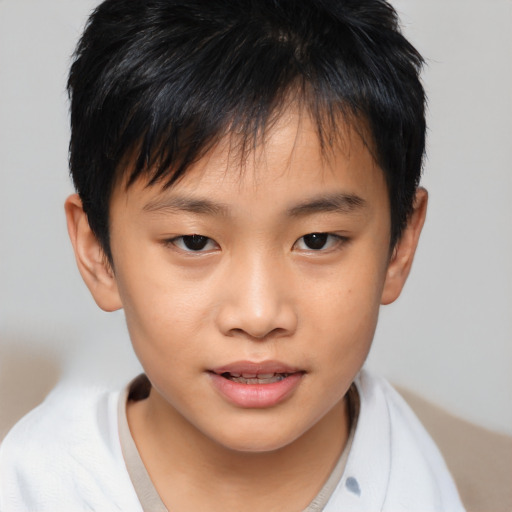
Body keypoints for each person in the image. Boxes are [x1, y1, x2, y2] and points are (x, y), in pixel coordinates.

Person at [0, 0, 466, 510]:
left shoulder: (416, 487)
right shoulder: (36, 483)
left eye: (316, 240)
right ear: (98, 253)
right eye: (195, 242)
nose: (259, 314)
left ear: (399, 245)